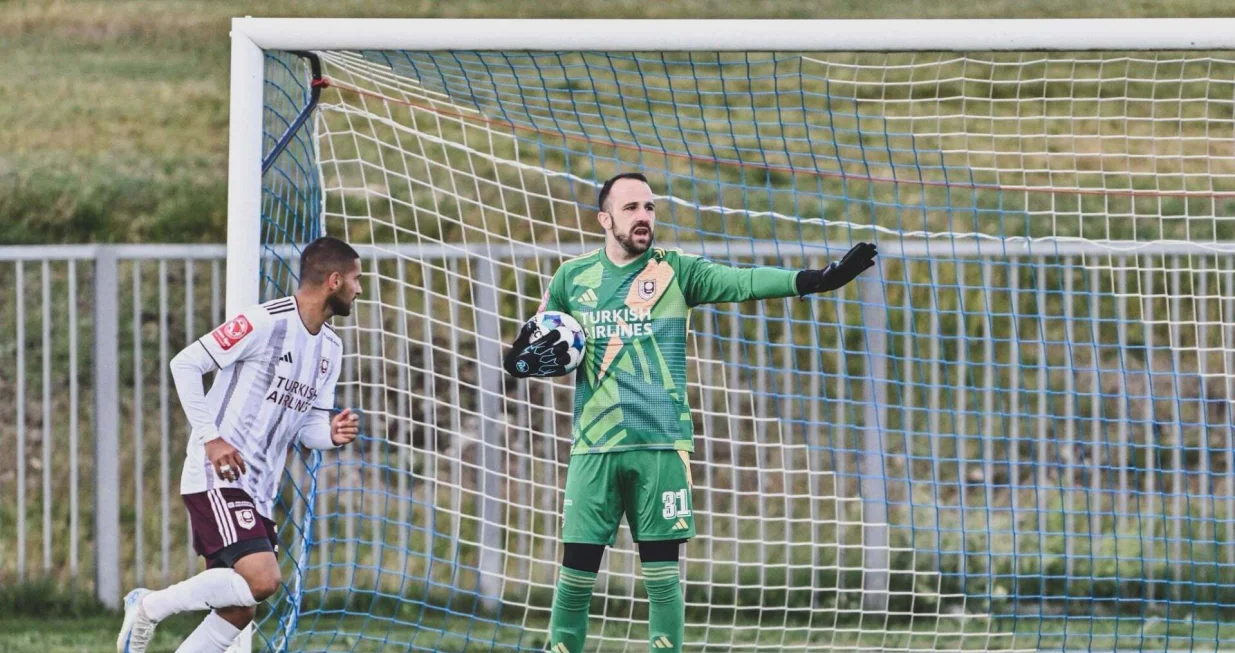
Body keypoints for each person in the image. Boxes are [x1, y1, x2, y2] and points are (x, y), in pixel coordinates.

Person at [503, 172, 877, 653]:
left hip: (662, 445)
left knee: (662, 581)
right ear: (605, 218)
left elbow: (741, 281)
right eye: (632, 207)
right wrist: (519, 358)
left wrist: (813, 280)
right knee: (574, 579)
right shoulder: (571, 278)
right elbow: (538, 338)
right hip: (595, 448)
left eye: (650, 207)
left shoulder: (676, 270)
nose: (643, 217)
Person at [117, 236, 364, 653]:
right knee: (263, 580)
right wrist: (212, 439)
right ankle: (149, 605)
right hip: (219, 474)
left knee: (238, 609)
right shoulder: (264, 322)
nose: (360, 289)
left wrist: (331, 435)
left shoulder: (331, 348)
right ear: (334, 281)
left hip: (260, 488)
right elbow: (186, 363)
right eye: (356, 280)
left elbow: (307, 428)